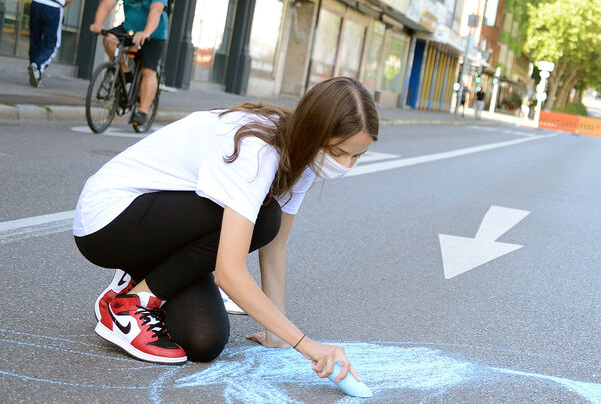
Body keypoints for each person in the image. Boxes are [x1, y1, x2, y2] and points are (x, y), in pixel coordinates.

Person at [73, 77, 377, 385]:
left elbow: (275, 247)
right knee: (264, 218)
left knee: (205, 339)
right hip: (110, 220)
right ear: (314, 132)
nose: (346, 164)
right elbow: (228, 273)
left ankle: (137, 282)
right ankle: (131, 304)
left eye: (356, 155)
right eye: (339, 151)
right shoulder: (256, 150)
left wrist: (278, 334)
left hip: (162, 229)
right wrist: (305, 344)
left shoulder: (305, 158)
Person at [88, 0, 167, 130]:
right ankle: (124, 72)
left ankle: (143, 112)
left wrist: (146, 32)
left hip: (153, 33)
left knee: (148, 71)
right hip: (129, 27)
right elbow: (107, 3)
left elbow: (156, 11)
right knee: (108, 38)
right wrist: (98, 23)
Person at [23, 0, 79, 87]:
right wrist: (63, 4)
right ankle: (37, 65)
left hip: (37, 4)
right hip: (54, 7)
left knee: (35, 40)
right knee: (51, 43)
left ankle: (36, 74)